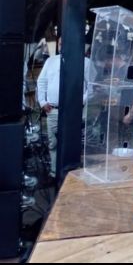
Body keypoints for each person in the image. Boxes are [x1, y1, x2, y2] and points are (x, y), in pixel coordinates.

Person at [36, 39, 94, 177]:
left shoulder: (86, 63)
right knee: (54, 143)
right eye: (61, 43)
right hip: (54, 110)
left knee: (74, 142)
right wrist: (42, 102)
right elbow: (41, 81)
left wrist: (81, 101)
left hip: (75, 111)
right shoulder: (51, 61)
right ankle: (55, 172)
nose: (62, 46)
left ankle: (74, 173)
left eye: (65, 43)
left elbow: (92, 86)